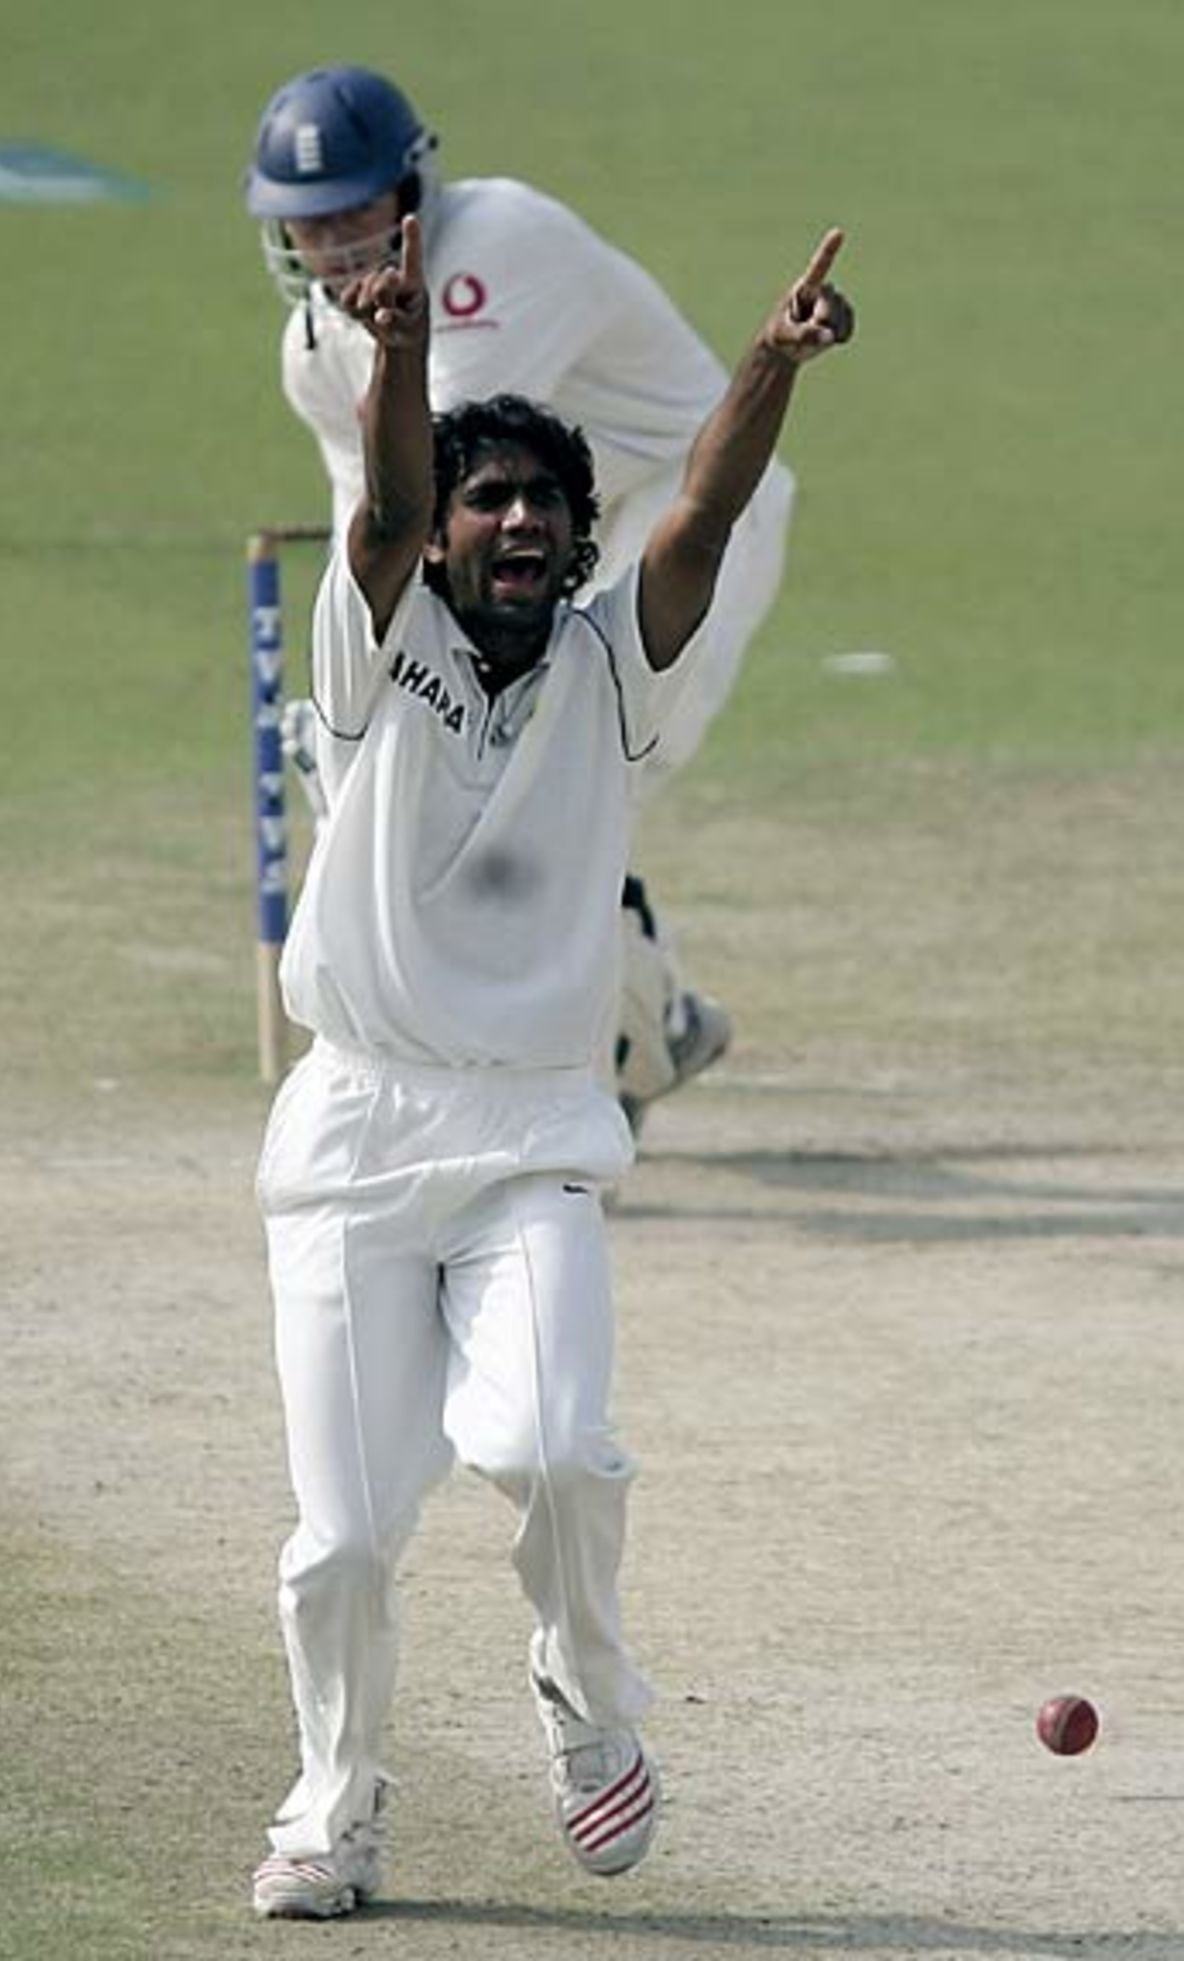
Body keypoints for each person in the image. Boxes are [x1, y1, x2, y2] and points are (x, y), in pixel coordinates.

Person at [248, 209, 853, 1920]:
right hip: (357, 1131)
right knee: (347, 1541)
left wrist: (769, 360)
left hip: (527, 1137)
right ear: (442, 538)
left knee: (560, 1449)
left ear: (578, 544)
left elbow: (709, 514)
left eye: (547, 509)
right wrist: (407, 355)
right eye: (488, 502)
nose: (519, 523)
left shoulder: (613, 669)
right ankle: (334, 1810)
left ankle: (588, 1712)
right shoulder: (377, 655)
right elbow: (372, 504)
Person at [243, 64, 799, 1132]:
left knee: (574, 794)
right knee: (485, 795)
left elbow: (445, 475)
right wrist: (344, 721)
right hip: (533, 546)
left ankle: (600, 1068)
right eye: (307, 223)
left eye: (355, 207)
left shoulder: (497, 248)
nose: (336, 242)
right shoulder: (312, 349)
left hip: (680, 517)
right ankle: (657, 1024)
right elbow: (379, 533)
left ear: (411, 191)